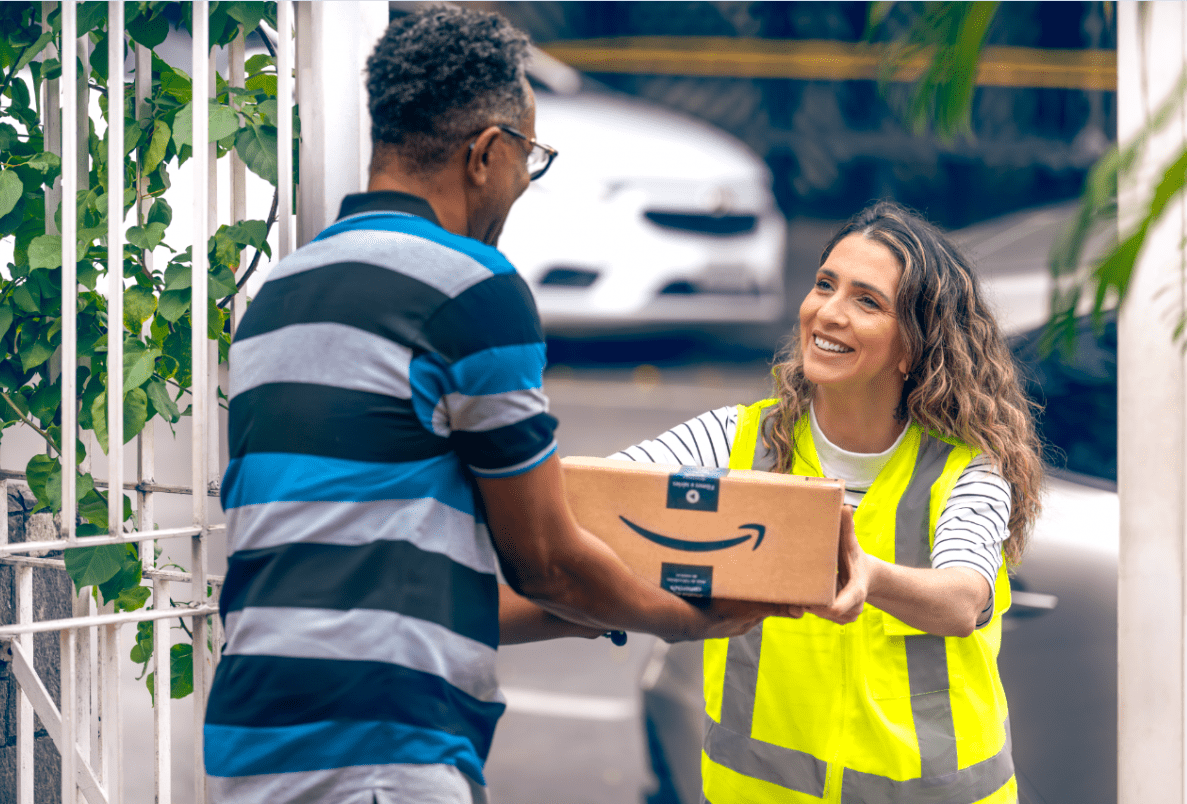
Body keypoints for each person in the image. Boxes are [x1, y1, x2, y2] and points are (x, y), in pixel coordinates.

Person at [202, 7, 809, 804]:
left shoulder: (278, 296)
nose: (526, 182)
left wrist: (598, 609)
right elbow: (545, 559)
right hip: (384, 746)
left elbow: (424, 585)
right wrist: (687, 617)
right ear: (487, 153)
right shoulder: (470, 288)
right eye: (532, 157)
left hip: (253, 743)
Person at [615, 200, 1044, 804]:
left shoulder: (967, 470)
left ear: (911, 349)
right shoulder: (734, 440)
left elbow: (963, 598)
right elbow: (604, 496)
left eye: (867, 301)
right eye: (824, 285)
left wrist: (869, 576)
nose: (829, 313)